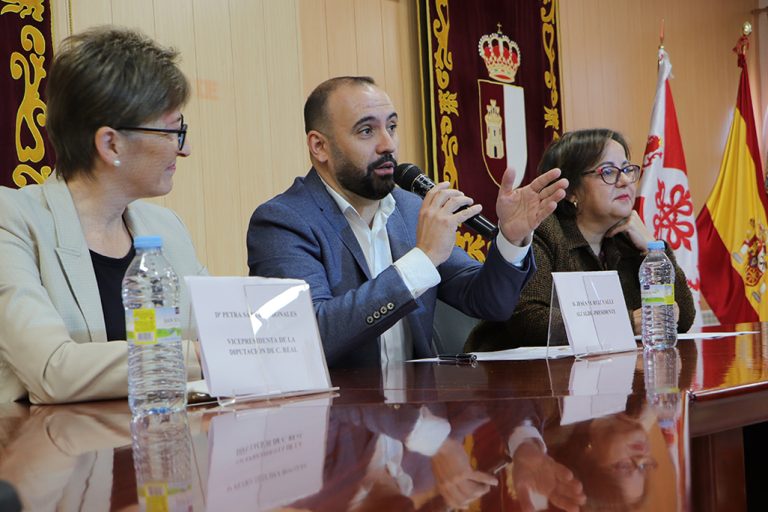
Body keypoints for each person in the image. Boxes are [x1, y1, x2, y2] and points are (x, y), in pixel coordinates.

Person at [246, 76, 568, 368]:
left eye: (392, 126)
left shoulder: (409, 207)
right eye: (366, 130)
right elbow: (312, 336)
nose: (388, 144)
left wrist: (511, 240)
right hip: (335, 418)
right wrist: (422, 259)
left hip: (416, 416)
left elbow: (489, 302)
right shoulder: (283, 221)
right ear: (320, 146)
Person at [0, 27, 206, 404]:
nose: (185, 149)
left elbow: (216, 332)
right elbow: (54, 371)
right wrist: (200, 357)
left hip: (158, 446)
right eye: (174, 132)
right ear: (111, 143)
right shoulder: (11, 220)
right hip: (51, 454)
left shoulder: (167, 229)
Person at [465, 129, 695, 351]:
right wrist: (622, 324)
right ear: (572, 190)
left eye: (627, 169)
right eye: (608, 172)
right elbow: (528, 318)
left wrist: (653, 251)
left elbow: (683, 319)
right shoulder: (542, 230)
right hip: (515, 380)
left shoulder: (627, 240)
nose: (625, 180)